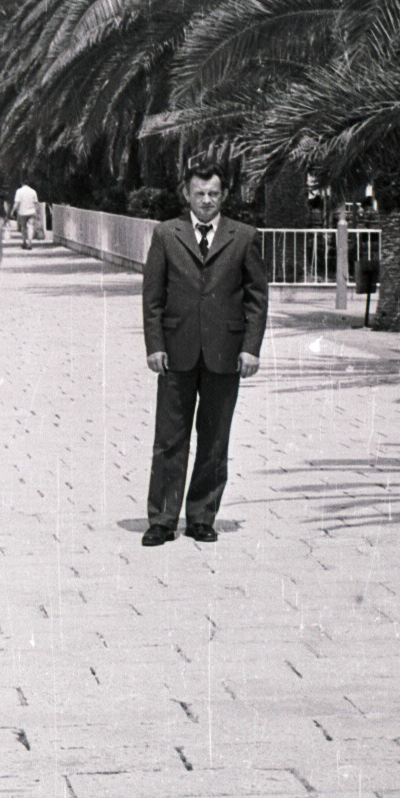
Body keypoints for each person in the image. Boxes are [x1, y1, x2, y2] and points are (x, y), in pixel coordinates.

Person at [141, 157, 268, 547]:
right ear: (186, 194)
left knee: (215, 438)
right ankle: (162, 520)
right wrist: (155, 346)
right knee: (169, 439)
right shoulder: (166, 235)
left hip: (224, 354)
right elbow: (152, 298)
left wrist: (250, 349)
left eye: (214, 193)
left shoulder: (243, 236)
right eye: (200, 193)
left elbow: (256, 299)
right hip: (175, 354)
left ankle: (201, 516)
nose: (207, 200)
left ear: (224, 195)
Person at [11, 179, 39, 250]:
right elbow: (36, 203)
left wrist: (12, 211)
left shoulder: (19, 191)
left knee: (23, 227)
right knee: (30, 227)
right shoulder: (33, 191)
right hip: (32, 212)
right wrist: (36, 212)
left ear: (21, 183)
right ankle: (30, 243)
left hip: (22, 212)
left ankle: (24, 242)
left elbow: (17, 203)